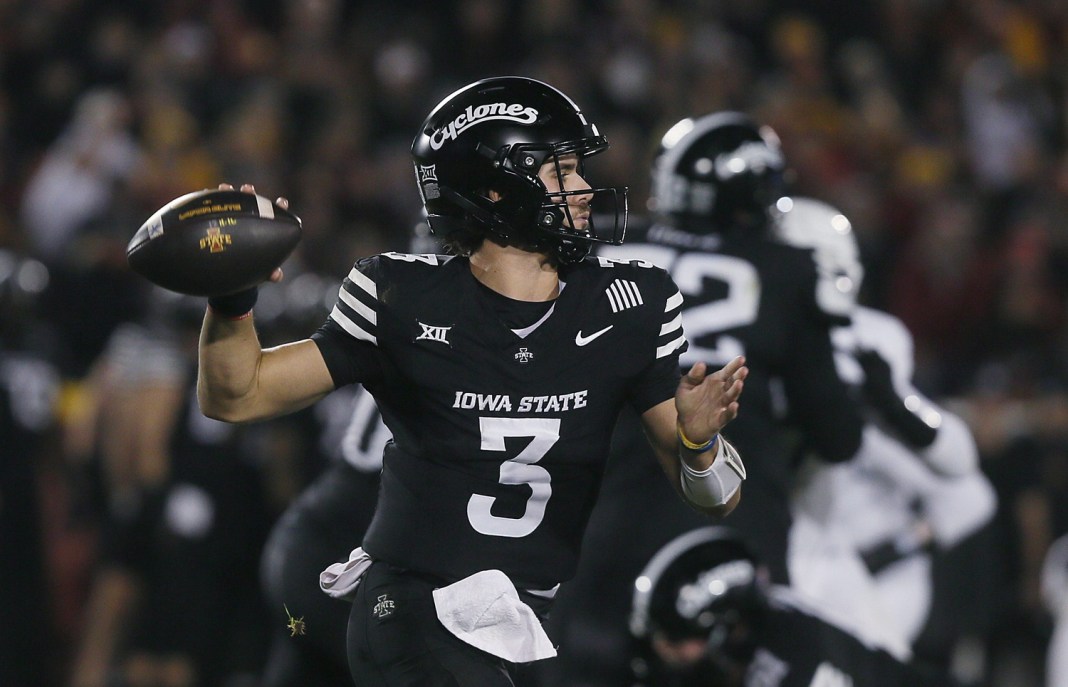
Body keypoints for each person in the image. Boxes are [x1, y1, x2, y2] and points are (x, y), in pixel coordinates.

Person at [195, 76, 749, 686]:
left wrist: (700, 443)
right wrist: (231, 301)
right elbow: (238, 394)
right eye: (561, 173)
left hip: (519, 625)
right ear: (495, 188)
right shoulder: (402, 296)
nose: (585, 188)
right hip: (411, 608)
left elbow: (717, 498)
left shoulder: (629, 305)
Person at [596, 111, 864, 585]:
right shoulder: (787, 270)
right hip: (728, 522)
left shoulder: (597, 245)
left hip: (594, 521)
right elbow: (837, 435)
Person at [778, 197, 997, 667]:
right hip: (788, 538)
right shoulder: (751, 337)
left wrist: (895, 407)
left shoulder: (870, 344)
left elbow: (966, 482)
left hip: (849, 558)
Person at [628, 525, 957, 687]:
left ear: (730, 631)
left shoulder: (796, 659)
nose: (664, 650)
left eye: (676, 639)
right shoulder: (779, 614)